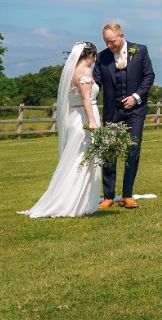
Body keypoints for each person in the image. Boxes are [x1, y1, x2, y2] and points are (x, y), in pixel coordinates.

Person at [19, 42, 103, 218]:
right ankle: (73, 202)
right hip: (84, 120)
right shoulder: (85, 72)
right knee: (82, 161)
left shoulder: (72, 72)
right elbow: (86, 99)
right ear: (90, 56)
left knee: (78, 160)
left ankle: (80, 200)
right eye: (94, 57)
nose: (94, 61)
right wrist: (93, 121)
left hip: (75, 117)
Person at [94, 22, 155, 209]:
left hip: (135, 111)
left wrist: (136, 97)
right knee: (109, 152)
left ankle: (127, 195)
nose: (109, 46)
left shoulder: (140, 50)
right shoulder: (102, 57)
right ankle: (108, 196)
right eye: (106, 42)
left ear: (121, 35)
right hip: (112, 112)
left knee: (133, 149)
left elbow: (149, 76)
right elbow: (95, 82)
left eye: (112, 41)